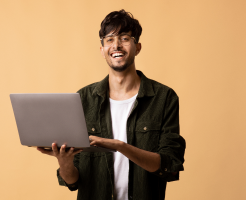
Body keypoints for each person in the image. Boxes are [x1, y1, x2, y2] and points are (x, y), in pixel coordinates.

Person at [37, 9, 185, 200]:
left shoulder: (164, 98)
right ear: (102, 50)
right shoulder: (83, 99)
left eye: (124, 38)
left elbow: (168, 164)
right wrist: (64, 161)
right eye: (109, 39)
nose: (116, 45)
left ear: (137, 47)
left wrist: (120, 146)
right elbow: (73, 181)